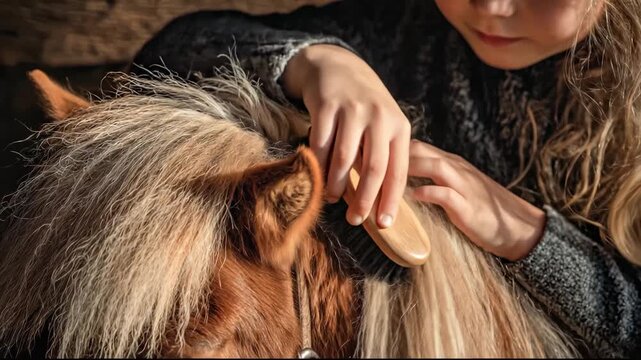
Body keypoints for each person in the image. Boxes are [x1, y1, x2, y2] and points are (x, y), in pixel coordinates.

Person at [131, 0, 641, 357]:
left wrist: (530, 238)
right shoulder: (405, 27)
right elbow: (171, 50)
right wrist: (318, 61)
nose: (491, 6)